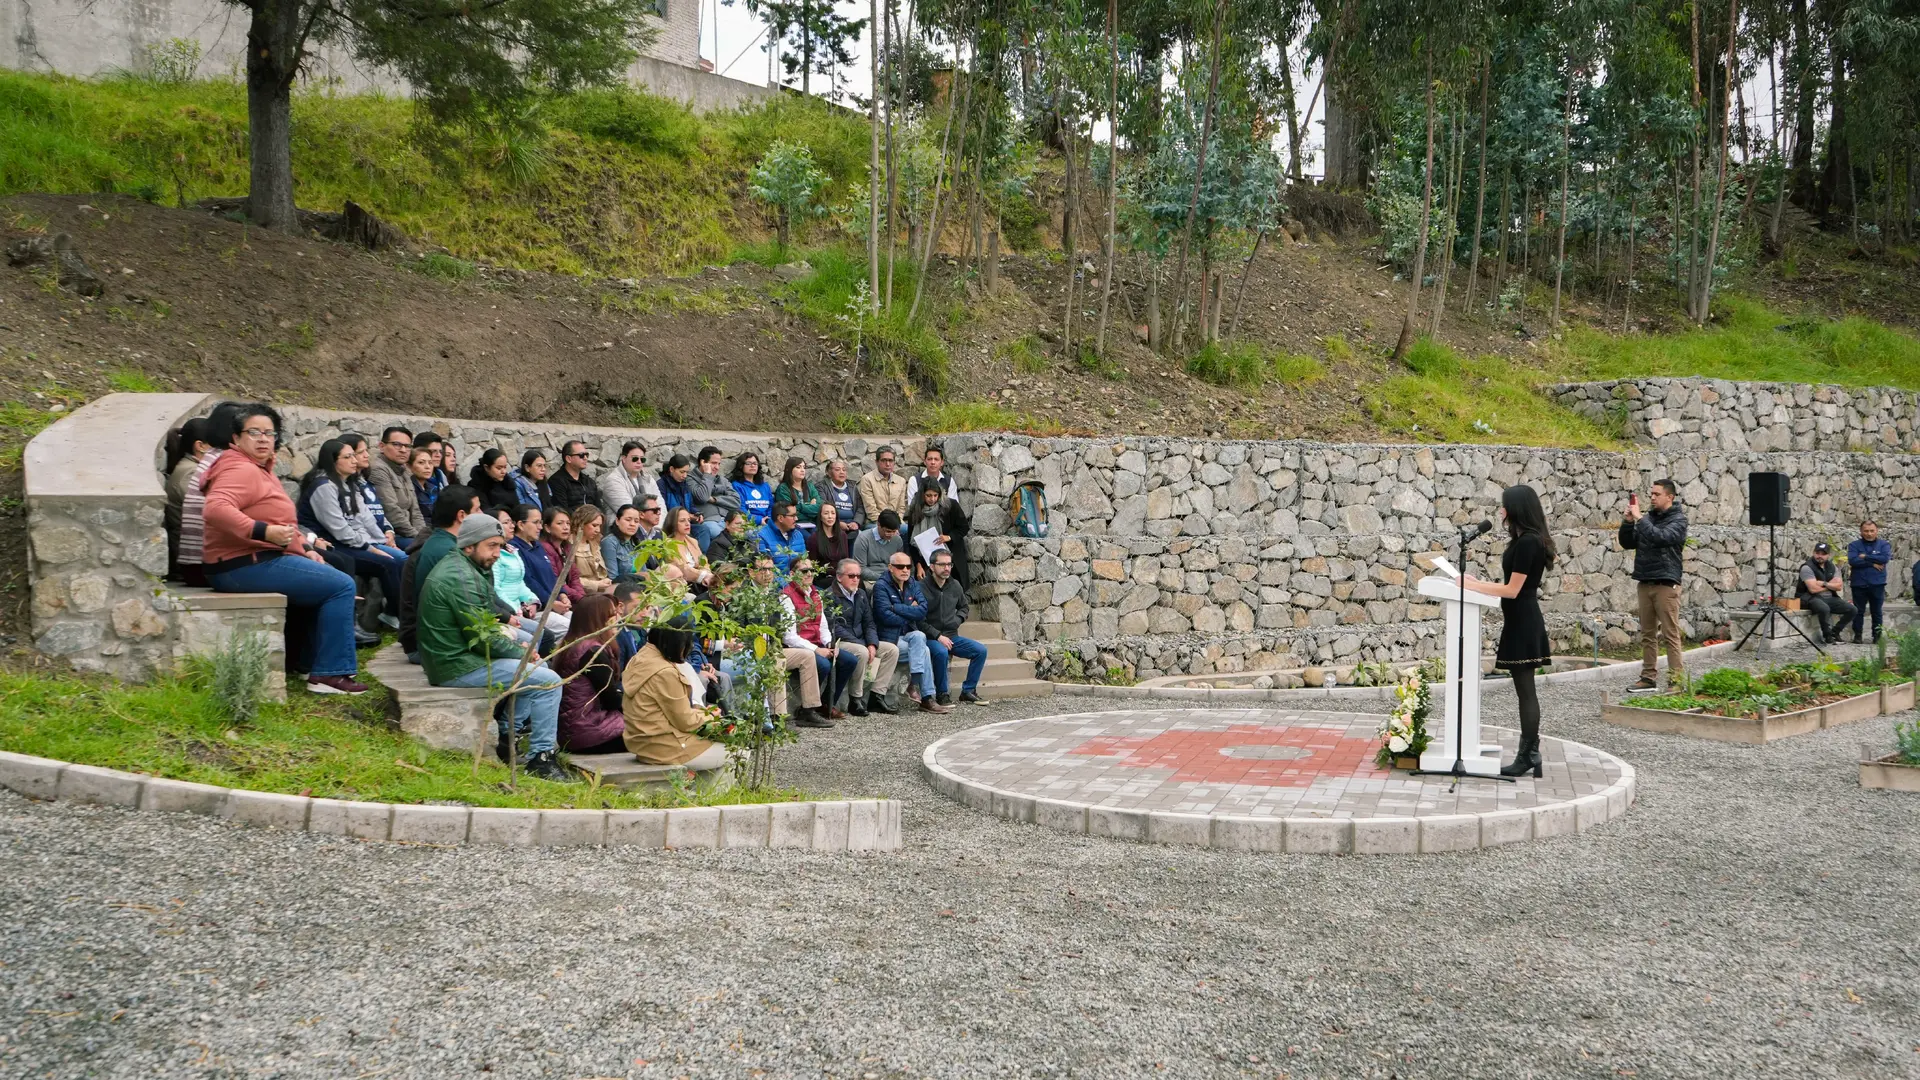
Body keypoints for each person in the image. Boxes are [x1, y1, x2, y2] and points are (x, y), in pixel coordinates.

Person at [200, 405, 366, 695]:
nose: (263, 439)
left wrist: (304, 550)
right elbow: (215, 509)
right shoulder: (239, 467)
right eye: (254, 432)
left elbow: (282, 525)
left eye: (269, 433)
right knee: (341, 585)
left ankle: (308, 665)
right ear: (236, 439)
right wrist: (263, 531)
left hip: (252, 560)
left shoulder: (258, 468)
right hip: (242, 565)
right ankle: (330, 674)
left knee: (329, 573)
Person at [418, 513, 569, 781]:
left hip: (461, 654)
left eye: (499, 545)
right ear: (469, 545)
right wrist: (521, 650)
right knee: (548, 681)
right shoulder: (461, 578)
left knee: (540, 666)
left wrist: (518, 645)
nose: (497, 553)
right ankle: (542, 758)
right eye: (491, 546)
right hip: (455, 664)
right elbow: (483, 637)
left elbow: (485, 623)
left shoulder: (469, 567)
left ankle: (507, 733)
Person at [1462, 484, 1555, 778]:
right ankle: (1531, 754)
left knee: (1526, 692)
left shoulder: (1529, 542)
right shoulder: (1526, 539)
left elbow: (1513, 590)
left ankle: (1528, 755)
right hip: (1520, 620)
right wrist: (1479, 583)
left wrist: (1474, 586)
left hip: (1524, 622)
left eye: (1504, 505)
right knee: (1524, 691)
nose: (1501, 511)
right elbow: (1510, 585)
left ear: (1516, 509)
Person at [299, 437, 407, 629]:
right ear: (333, 461)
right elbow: (339, 529)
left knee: (397, 558)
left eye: (353, 456)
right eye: (348, 457)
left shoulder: (350, 483)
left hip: (351, 542)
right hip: (331, 543)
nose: (355, 461)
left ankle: (399, 615)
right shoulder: (323, 486)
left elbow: (365, 517)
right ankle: (401, 619)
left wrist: (382, 540)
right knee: (388, 562)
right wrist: (372, 549)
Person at [622, 616, 730, 770]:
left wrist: (701, 712)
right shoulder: (665, 672)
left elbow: (667, 710)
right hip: (665, 746)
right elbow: (685, 720)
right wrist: (710, 716)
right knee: (736, 754)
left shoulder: (640, 658)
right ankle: (711, 794)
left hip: (642, 742)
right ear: (678, 642)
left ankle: (698, 791)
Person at [740, 555, 831, 727]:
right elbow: (739, 627)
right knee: (777, 660)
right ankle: (778, 718)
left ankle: (809, 710)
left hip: (772, 647)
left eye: (771, 569)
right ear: (751, 572)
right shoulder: (744, 595)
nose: (768, 574)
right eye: (763, 569)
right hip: (752, 650)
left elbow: (780, 628)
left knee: (807, 656)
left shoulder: (775, 594)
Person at [1619, 478, 1688, 693]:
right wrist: (1628, 523)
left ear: (1670, 497)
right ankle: (1648, 678)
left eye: (1657, 494)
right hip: (1645, 580)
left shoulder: (1678, 520)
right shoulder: (1647, 519)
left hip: (1666, 584)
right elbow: (1628, 543)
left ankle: (1676, 681)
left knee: (1670, 634)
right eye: (1651, 494)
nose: (1652, 497)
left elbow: (1661, 537)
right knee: (1647, 634)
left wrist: (1640, 518)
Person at [399, 485, 478, 662]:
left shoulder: (443, 542)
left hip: (437, 638)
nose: (482, 514)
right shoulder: (444, 550)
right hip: (429, 646)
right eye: (477, 509)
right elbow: (466, 603)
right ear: (461, 516)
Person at [549, 593, 630, 754]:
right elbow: (611, 699)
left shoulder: (572, 643)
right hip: (589, 733)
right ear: (599, 618)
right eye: (612, 614)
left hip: (575, 730)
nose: (617, 618)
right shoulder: (592, 652)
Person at [782, 559, 860, 719]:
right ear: (792, 574)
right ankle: (806, 707)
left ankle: (826, 703)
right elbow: (789, 637)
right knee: (823, 664)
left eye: (811, 570)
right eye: (804, 571)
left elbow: (822, 625)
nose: (809, 574)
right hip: (799, 648)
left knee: (849, 660)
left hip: (817, 644)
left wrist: (829, 643)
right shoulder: (786, 597)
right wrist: (817, 649)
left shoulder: (815, 593)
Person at [874, 552, 946, 713]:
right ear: (890, 568)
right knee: (925, 650)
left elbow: (922, 611)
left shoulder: (912, 583)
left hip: (909, 635)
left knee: (920, 636)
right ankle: (926, 697)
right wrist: (909, 612)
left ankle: (917, 687)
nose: (905, 570)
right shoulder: (881, 586)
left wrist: (897, 608)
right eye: (900, 567)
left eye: (908, 566)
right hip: (889, 638)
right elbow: (885, 616)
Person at [827, 558, 899, 715]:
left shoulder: (860, 594)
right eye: (851, 576)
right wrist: (863, 644)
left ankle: (877, 696)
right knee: (861, 652)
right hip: (840, 642)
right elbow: (834, 627)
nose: (856, 579)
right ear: (839, 577)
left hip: (861, 640)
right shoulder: (829, 595)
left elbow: (869, 623)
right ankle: (856, 699)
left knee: (891, 650)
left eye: (858, 576)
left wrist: (872, 643)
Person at [921, 548, 988, 706]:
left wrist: (957, 620)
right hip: (930, 637)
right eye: (942, 564)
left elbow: (964, 607)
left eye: (949, 564)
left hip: (952, 636)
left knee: (980, 650)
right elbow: (918, 620)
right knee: (941, 652)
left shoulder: (955, 585)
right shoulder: (921, 587)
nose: (946, 568)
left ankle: (968, 691)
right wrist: (937, 636)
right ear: (932, 566)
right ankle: (942, 694)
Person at [163, 416, 217, 578]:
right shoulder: (191, 473)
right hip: (193, 558)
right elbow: (207, 513)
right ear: (200, 446)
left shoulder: (190, 468)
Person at [506, 504, 574, 632]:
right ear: (521, 525)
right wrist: (551, 603)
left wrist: (563, 595)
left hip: (556, 604)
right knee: (570, 629)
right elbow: (529, 581)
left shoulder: (537, 545)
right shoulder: (514, 548)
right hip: (539, 608)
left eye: (541, 522)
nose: (540, 527)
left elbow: (552, 576)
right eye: (536, 522)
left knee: (584, 622)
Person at [367, 426, 427, 547]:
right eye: (397, 445)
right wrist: (418, 538)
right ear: (382, 446)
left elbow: (415, 510)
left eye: (408, 446)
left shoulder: (404, 469)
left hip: (410, 533)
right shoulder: (378, 469)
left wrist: (422, 535)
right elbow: (390, 510)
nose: (403, 450)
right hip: (393, 534)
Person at [907, 477, 972, 588]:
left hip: (951, 556)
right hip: (925, 560)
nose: (932, 499)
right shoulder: (915, 510)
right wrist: (918, 566)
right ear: (922, 495)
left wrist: (949, 537)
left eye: (935, 495)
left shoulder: (950, 506)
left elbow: (964, 527)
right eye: (928, 495)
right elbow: (912, 541)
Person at [1799, 542, 1857, 646]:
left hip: (1830, 598)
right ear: (1813, 553)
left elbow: (1839, 587)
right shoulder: (1807, 567)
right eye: (1817, 553)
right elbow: (1812, 589)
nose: (1820, 556)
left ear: (1828, 555)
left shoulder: (1832, 567)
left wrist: (1823, 583)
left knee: (1852, 609)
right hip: (1810, 598)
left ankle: (1835, 632)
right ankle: (1827, 636)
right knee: (1824, 608)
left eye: (1823, 553)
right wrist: (1830, 585)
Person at [686, 445, 739, 551]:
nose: (717, 467)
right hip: (708, 521)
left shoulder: (722, 480)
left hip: (727, 520)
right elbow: (702, 497)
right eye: (713, 463)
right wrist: (707, 475)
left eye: (719, 463)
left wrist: (714, 499)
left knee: (751, 534)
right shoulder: (689, 479)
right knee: (723, 536)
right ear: (703, 462)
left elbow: (736, 501)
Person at [1847, 521, 1892, 644]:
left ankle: (1877, 637)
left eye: (1872, 531)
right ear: (1861, 532)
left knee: (1876, 611)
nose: (1869, 533)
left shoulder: (1884, 545)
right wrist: (1872, 563)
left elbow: (1884, 558)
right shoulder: (1854, 545)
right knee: (1858, 611)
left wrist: (1865, 557)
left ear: (1876, 531)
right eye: (1866, 531)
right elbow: (1853, 561)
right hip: (1859, 583)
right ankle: (1857, 636)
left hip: (1877, 583)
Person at [537, 506, 587, 604]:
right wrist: (580, 599)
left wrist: (581, 597)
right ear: (547, 527)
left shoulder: (567, 547)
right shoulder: (544, 549)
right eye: (560, 523)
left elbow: (574, 577)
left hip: (572, 598)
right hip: (558, 600)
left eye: (568, 523)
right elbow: (555, 581)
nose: (566, 527)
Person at [598, 440, 659, 516]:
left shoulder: (649, 479)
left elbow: (660, 507)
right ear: (624, 458)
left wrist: (657, 527)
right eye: (635, 458)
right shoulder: (613, 481)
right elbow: (628, 513)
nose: (639, 462)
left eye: (642, 459)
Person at [659, 507, 714, 589]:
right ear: (672, 523)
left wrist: (707, 574)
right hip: (682, 585)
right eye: (682, 521)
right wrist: (704, 575)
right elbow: (681, 568)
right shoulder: (668, 544)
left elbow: (703, 562)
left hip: (702, 582)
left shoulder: (693, 541)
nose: (687, 523)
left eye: (688, 520)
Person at [756, 502, 809, 581]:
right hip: (776, 588)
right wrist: (788, 586)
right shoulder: (762, 536)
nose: (796, 519)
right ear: (780, 518)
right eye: (792, 516)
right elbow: (766, 572)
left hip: (798, 584)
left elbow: (804, 564)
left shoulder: (798, 535)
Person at [852, 509, 907, 585]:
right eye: (888, 531)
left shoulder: (897, 539)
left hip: (892, 578)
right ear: (878, 524)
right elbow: (860, 569)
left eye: (894, 531)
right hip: (870, 580)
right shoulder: (863, 539)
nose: (891, 534)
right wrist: (884, 578)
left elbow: (899, 564)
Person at [569, 504, 614, 594]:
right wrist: (596, 584)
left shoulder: (595, 542)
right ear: (581, 523)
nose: (598, 530)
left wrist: (605, 581)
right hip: (582, 593)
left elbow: (600, 573)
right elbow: (570, 579)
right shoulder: (569, 545)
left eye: (599, 526)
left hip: (600, 591)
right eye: (594, 525)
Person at [859, 445, 911, 524]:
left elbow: (901, 508)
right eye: (884, 460)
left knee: (909, 531)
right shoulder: (867, 479)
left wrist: (896, 523)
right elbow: (871, 510)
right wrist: (887, 526)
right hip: (875, 523)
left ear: (894, 462)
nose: (887, 464)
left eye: (890, 460)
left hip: (896, 522)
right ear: (877, 462)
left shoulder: (901, 481)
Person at [807, 502, 854, 587]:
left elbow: (845, 560)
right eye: (826, 513)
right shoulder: (813, 539)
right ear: (820, 517)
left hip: (841, 575)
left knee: (857, 581)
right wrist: (837, 573)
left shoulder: (842, 535)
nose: (830, 516)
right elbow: (814, 567)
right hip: (824, 578)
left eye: (833, 513)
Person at [547, 440, 599, 514]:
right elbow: (562, 512)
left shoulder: (589, 482)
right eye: (581, 455)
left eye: (586, 455)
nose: (585, 458)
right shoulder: (556, 481)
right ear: (568, 459)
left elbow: (599, 508)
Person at [773, 456, 823, 528]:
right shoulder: (783, 488)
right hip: (793, 524)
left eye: (804, 467)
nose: (802, 470)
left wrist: (799, 507)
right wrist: (810, 505)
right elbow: (789, 512)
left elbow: (819, 507)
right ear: (789, 470)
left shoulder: (810, 486)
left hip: (812, 523)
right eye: (798, 467)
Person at [468, 448, 519, 516]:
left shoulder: (508, 484)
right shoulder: (476, 486)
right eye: (499, 468)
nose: (503, 472)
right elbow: (485, 511)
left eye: (505, 467)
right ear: (486, 468)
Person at [602, 504, 645, 580]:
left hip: (639, 586)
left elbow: (644, 572)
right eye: (628, 520)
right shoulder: (609, 542)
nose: (632, 524)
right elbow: (612, 577)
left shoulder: (637, 543)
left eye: (636, 521)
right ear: (617, 521)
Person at [730, 451, 773, 525]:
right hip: (749, 523)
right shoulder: (736, 486)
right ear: (741, 466)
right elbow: (741, 509)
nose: (752, 466)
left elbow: (771, 506)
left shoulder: (765, 486)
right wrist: (759, 520)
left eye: (755, 463)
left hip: (768, 522)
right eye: (748, 463)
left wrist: (769, 518)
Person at [412, 432, 450, 511]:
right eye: (433, 451)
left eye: (440, 451)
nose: (438, 455)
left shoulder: (440, 474)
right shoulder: (411, 478)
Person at [822, 459, 863, 528]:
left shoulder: (852, 487)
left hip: (852, 524)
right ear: (829, 473)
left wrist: (856, 522)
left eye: (844, 470)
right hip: (832, 525)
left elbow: (860, 507)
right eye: (837, 470)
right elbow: (822, 508)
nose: (842, 472)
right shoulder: (822, 487)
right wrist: (838, 524)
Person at [407, 446, 442, 518]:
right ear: (409, 466)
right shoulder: (408, 488)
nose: (427, 467)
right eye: (421, 463)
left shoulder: (434, 487)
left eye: (430, 463)